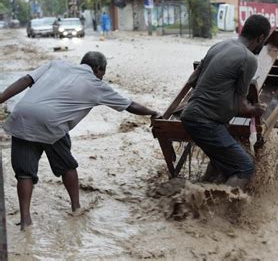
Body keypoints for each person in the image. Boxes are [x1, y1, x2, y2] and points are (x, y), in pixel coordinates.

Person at [0, 51, 159, 230]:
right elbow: (130, 105)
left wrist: (0, 99)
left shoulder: (56, 65)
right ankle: (76, 208)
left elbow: (25, 80)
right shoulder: (96, 84)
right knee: (67, 165)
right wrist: (153, 113)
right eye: (102, 74)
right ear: (99, 69)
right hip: (52, 123)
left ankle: (25, 220)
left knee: (24, 173)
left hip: (22, 115)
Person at [180, 14, 271, 188]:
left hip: (189, 115)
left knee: (220, 160)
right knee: (245, 167)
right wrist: (255, 109)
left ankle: (200, 195)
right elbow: (240, 106)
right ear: (260, 38)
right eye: (263, 40)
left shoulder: (219, 45)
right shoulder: (249, 59)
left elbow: (192, 81)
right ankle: (220, 211)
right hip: (206, 122)